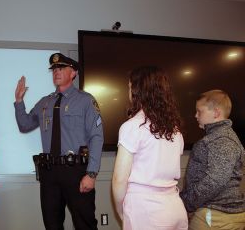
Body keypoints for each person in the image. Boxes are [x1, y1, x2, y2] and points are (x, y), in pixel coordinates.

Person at [14, 53, 104, 230]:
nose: (56, 71)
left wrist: (91, 173)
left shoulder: (86, 100)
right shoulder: (45, 102)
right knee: (52, 224)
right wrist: (19, 101)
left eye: (61, 68)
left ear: (74, 73)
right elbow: (25, 125)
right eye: (54, 69)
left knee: (84, 223)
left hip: (76, 172)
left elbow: (96, 136)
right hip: (49, 172)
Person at [112, 66, 188, 230]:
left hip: (145, 209)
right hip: (175, 207)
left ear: (137, 91)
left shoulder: (132, 127)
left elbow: (119, 179)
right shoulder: (175, 131)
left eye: (130, 87)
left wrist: (120, 210)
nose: (129, 92)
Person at [180, 90, 245, 230]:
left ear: (216, 113)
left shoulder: (222, 140)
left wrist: (188, 203)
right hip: (216, 215)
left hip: (216, 217)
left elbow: (215, 180)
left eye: (199, 111)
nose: (195, 115)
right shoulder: (219, 137)